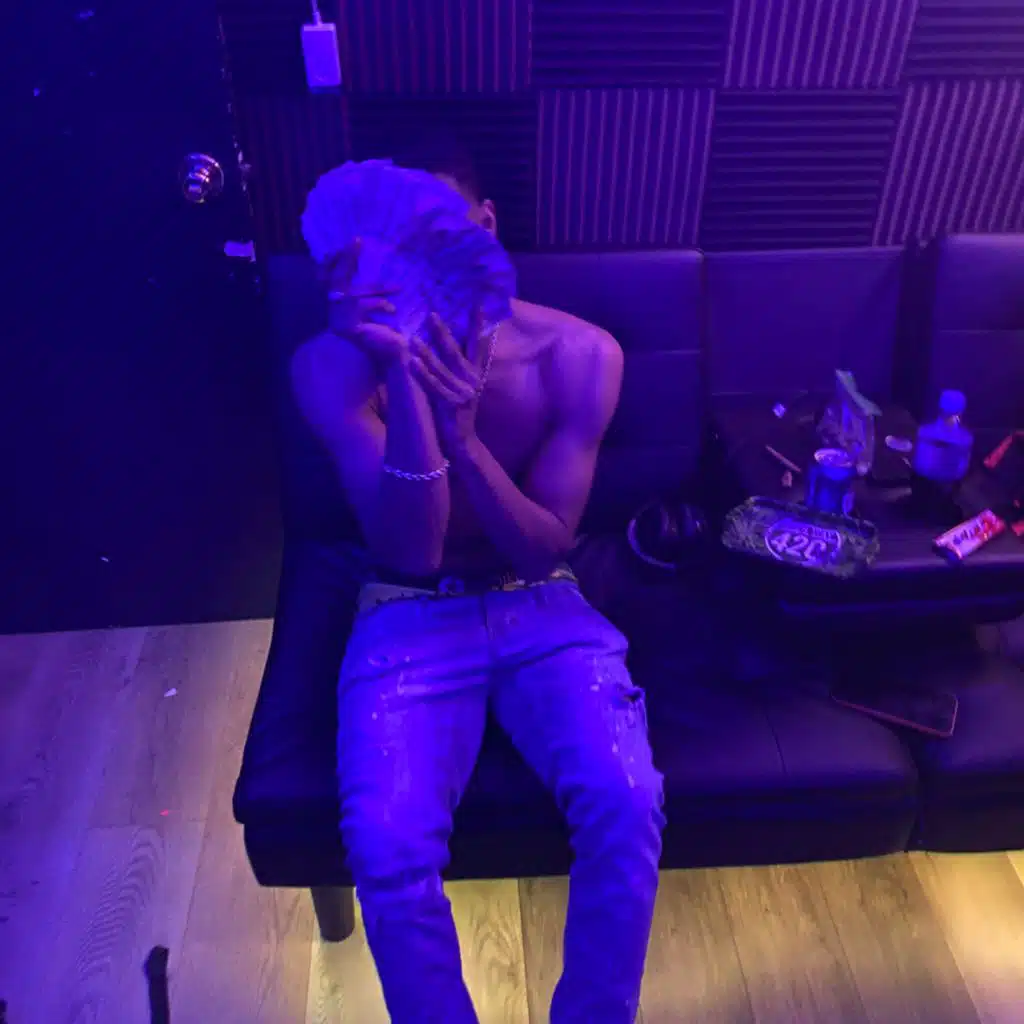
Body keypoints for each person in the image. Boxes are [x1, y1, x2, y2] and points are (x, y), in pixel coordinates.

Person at [291, 132, 665, 1023]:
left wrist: (466, 443)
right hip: (406, 611)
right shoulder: (330, 367)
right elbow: (412, 551)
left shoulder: (578, 355)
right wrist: (403, 378)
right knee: (386, 848)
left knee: (626, 802)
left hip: (542, 603)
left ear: (484, 226)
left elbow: (542, 551)